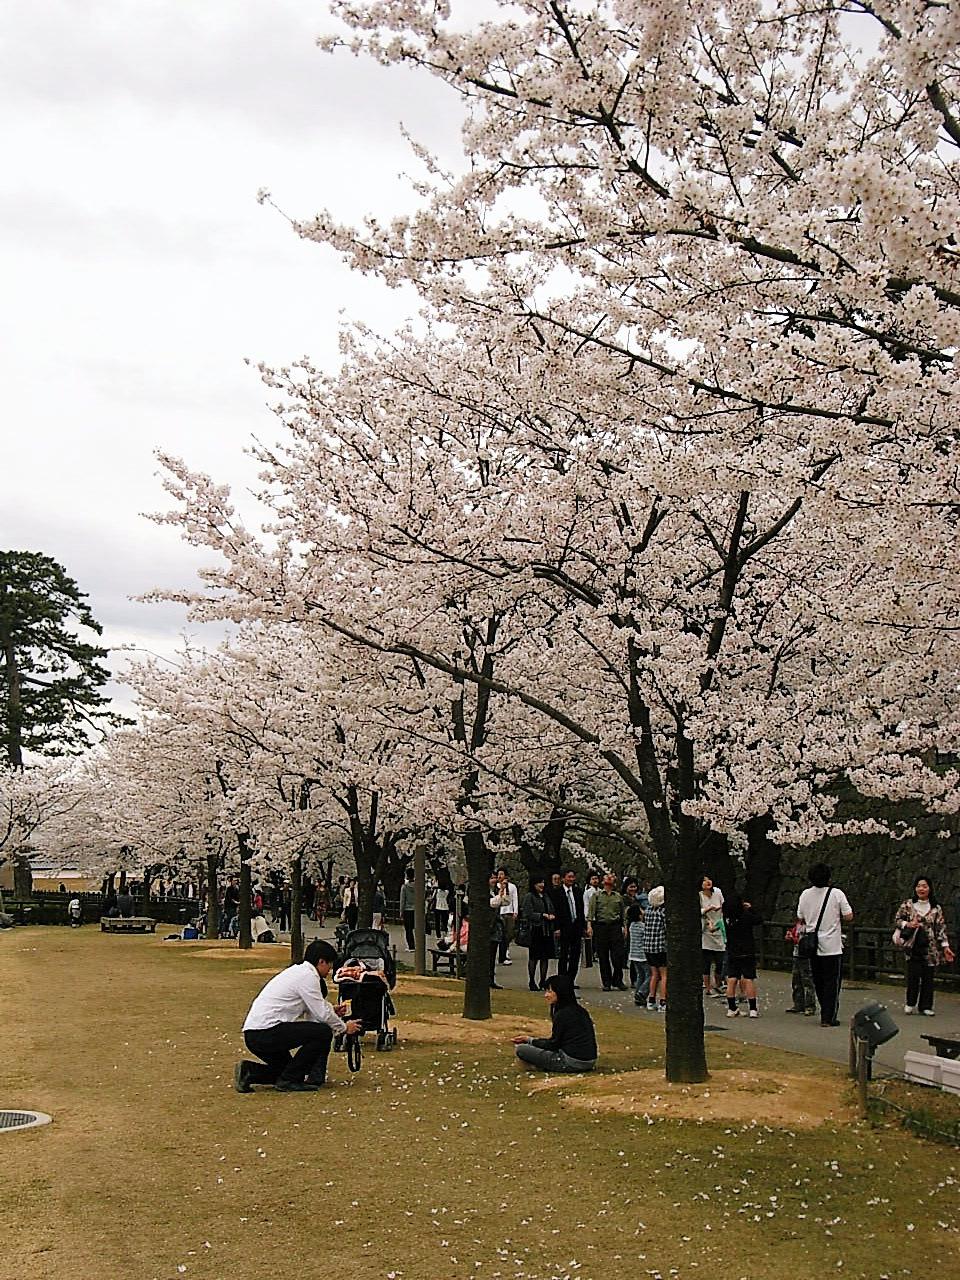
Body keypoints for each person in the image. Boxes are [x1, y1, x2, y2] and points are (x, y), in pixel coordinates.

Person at [235, 939, 362, 1093]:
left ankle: (249, 1072)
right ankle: (288, 1081)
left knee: (291, 1070)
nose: (330, 970)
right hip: (265, 1032)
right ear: (321, 961)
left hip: (255, 1033)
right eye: (329, 965)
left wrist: (332, 1011)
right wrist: (344, 1028)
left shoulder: (297, 972)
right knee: (323, 1032)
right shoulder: (308, 977)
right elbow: (321, 1013)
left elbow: (315, 1009)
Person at [796, 862, 853, 1027]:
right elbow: (848, 916)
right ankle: (828, 1016)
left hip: (812, 945)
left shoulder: (805, 894)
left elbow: (800, 916)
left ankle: (825, 1011)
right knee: (832, 982)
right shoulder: (836, 894)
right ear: (828, 877)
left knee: (818, 980)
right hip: (832, 945)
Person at [894, 875, 954, 1016]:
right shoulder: (908, 905)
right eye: (919, 886)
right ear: (915, 888)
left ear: (930, 889)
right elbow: (897, 919)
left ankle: (926, 1006)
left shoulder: (936, 908)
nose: (921, 889)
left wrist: (945, 946)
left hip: (930, 947)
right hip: (913, 945)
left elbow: (940, 928)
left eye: (925, 886)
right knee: (913, 976)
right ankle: (910, 1003)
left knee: (928, 977)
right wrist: (908, 924)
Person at [512, 974, 597, 1073]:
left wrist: (529, 1040)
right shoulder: (580, 1010)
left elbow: (553, 1044)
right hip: (590, 1060)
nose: (546, 995)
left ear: (560, 992)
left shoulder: (563, 1014)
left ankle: (541, 1066)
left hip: (572, 1061)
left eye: (550, 991)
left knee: (521, 1049)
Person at [722, 895, 762, 1017]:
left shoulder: (727, 919)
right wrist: (750, 909)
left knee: (732, 978)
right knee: (749, 978)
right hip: (747, 950)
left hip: (732, 951)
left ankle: (731, 1008)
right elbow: (759, 920)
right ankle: (753, 1009)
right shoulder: (746, 916)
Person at [586, 873, 627, 990]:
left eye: (611, 877)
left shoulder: (618, 896)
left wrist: (625, 927)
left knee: (618, 955)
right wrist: (589, 926)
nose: (609, 878)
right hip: (601, 926)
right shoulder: (597, 895)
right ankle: (606, 982)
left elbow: (623, 914)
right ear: (602, 881)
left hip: (615, 926)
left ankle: (618, 980)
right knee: (603, 956)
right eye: (606, 877)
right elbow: (591, 912)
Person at [520, 874, 556, 991]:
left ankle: (543, 980)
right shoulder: (529, 897)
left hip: (546, 929)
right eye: (539, 883)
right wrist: (542, 915)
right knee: (534, 957)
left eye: (543, 882)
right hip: (535, 929)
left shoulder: (546, 896)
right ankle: (532, 980)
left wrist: (551, 915)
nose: (542, 885)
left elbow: (551, 908)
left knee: (545, 957)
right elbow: (527, 913)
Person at [551, 868, 586, 982]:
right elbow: (555, 911)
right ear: (563, 878)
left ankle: (571, 980)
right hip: (563, 927)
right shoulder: (557, 893)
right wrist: (556, 927)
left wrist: (584, 926)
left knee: (575, 955)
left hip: (576, 927)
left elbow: (581, 909)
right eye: (569, 877)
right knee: (564, 955)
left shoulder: (578, 891)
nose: (571, 879)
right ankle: (562, 980)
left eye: (573, 877)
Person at [641, 885, 667, 1010]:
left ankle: (651, 1000)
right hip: (660, 947)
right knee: (664, 975)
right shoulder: (663, 912)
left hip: (648, 947)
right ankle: (663, 1001)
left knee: (654, 974)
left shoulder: (648, 911)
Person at [699, 876, 725, 999]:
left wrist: (720, 908)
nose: (708, 882)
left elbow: (724, 905)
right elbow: (698, 911)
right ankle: (708, 987)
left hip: (718, 928)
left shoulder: (718, 892)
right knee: (706, 962)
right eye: (704, 880)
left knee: (720, 961)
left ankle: (718, 984)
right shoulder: (699, 896)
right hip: (706, 930)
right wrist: (707, 909)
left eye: (709, 879)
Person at [626, 903, 648, 1005]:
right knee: (650, 975)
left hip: (633, 955)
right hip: (642, 955)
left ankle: (637, 995)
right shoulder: (643, 926)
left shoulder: (631, 926)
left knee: (640, 975)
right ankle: (642, 992)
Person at [496, 868, 519, 965]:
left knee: (509, 933)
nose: (499, 876)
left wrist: (515, 911)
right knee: (501, 934)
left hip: (509, 911)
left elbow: (515, 899)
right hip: (500, 912)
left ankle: (506, 949)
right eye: (498, 874)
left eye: (502, 874)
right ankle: (502, 953)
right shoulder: (496, 886)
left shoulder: (512, 887)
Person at [488, 875, 506, 988]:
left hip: (495, 926)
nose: (494, 880)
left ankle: (491, 978)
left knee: (493, 953)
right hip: (487, 926)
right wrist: (500, 893)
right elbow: (493, 903)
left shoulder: (495, 891)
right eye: (491, 878)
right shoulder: (484, 893)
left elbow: (505, 901)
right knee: (488, 953)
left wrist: (503, 890)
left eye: (495, 878)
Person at [400, 869, 417, 951]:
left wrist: (401, 911)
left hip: (407, 910)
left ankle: (411, 946)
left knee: (408, 929)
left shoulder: (404, 887)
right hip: (417, 910)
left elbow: (402, 900)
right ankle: (420, 944)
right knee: (418, 928)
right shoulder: (419, 886)